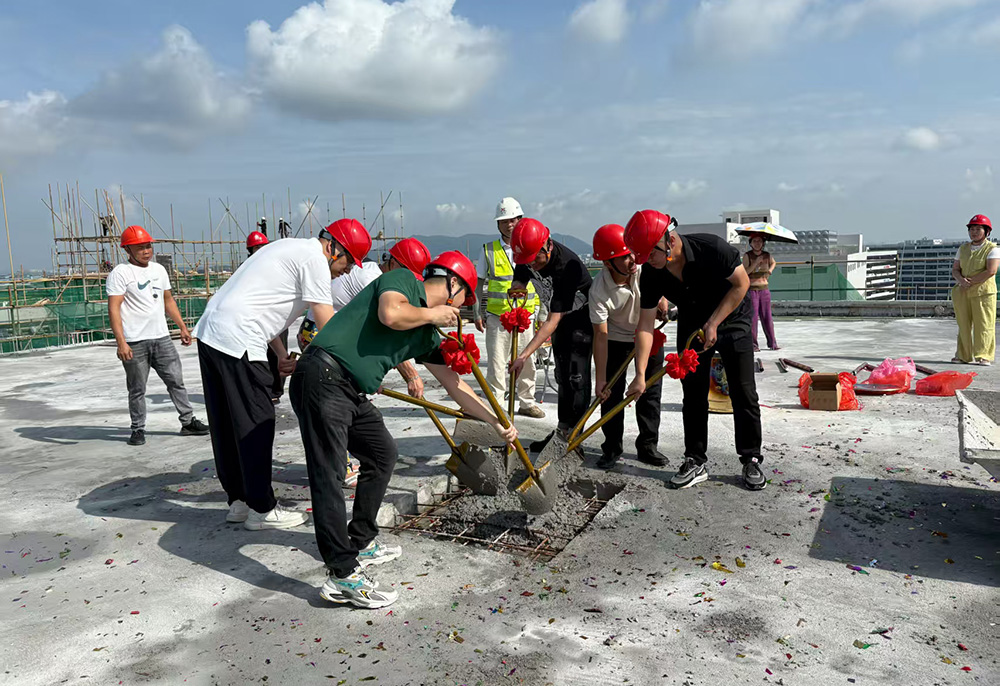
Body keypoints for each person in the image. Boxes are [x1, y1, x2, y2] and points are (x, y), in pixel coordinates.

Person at [290, 251, 518, 609]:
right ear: (453, 283)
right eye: (464, 298)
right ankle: (342, 575)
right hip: (323, 376)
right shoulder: (404, 282)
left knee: (382, 454)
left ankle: (361, 540)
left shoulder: (426, 335)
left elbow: (455, 385)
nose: (461, 308)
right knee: (329, 474)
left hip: (350, 390)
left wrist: (495, 421)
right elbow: (391, 313)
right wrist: (432, 314)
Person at [193, 218, 371, 531]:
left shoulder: (288, 248)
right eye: (348, 262)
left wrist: (279, 355)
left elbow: (261, 304)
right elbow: (327, 322)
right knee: (257, 421)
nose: (346, 271)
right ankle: (261, 509)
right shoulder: (315, 260)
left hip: (212, 334)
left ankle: (239, 501)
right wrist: (357, 367)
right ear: (334, 248)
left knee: (226, 423)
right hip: (240, 336)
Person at [624, 209, 766, 491]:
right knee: (693, 394)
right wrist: (640, 374)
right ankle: (695, 459)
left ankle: (750, 458)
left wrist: (714, 323)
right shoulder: (651, 272)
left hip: (733, 318)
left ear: (669, 241)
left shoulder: (712, 248)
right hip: (692, 323)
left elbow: (741, 284)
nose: (647, 261)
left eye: (650, 254)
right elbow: (645, 326)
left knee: (743, 391)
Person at [106, 225, 210, 446]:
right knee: (137, 389)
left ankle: (188, 422)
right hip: (135, 341)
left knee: (176, 381)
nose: (146, 251)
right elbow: (114, 308)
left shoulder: (159, 270)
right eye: (140, 247)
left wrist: (182, 327)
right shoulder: (121, 273)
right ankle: (137, 428)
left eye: (148, 246)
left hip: (162, 338)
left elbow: (167, 300)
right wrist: (121, 342)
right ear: (127, 250)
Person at [297, 237, 432, 400]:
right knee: (340, 393)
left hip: (328, 332)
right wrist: (411, 376)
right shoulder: (371, 280)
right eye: (407, 273)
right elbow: (385, 334)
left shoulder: (376, 274)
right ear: (393, 263)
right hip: (317, 334)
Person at [589, 223, 670, 469]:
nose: (631, 260)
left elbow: (660, 286)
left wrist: (663, 299)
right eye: (623, 257)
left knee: (650, 393)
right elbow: (600, 336)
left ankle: (647, 446)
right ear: (607, 263)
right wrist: (600, 380)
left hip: (649, 336)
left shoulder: (644, 268)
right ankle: (612, 447)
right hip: (616, 340)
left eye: (631, 253)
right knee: (610, 396)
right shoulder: (599, 291)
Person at [509, 218, 593, 448]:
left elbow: (552, 320)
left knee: (576, 378)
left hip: (581, 321)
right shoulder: (527, 255)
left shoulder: (567, 266)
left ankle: (574, 437)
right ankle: (562, 432)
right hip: (559, 321)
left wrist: (523, 356)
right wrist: (518, 285)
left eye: (535, 258)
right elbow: (522, 270)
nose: (532, 264)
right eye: (527, 260)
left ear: (547, 246)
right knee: (562, 376)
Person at [473, 198, 545, 418]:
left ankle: (526, 402)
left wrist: (542, 313)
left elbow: (542, 283)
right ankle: (497, 406)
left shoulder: (532, 247)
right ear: (498, 224)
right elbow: (478, 284)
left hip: (526, 316)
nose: (509, 225)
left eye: (512, 220)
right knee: (497, 363)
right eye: (504, 221)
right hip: (498, 316)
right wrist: (477, 312)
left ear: (520, 220)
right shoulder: (489, 250)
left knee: (528, 361)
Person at [246, 231, 289, 404]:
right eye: (257, 247)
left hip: (277, 316)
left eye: (263, 246)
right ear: (250, 250)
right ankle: (264, 389)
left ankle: (276, 390)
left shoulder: (275, 265)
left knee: (278, 354)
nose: (260, 250)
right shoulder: (247, 269)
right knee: (259, 356)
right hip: (258, 317)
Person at [952, 214, 999, 366]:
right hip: (963, 291)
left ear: (987, 231)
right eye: (972, 229)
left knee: (984, 324)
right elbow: (955, 269)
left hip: (983, 293)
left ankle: (984, 356)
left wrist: (970, 282)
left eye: (978, 229)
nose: (974, 232)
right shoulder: (963, 249)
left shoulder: (992, 249)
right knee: (963, 324)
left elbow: (991, 271)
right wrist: (961, 281)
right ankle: (963, 355)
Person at [742, 234, 779, 351]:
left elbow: (774, 263)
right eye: (754, 241)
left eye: (759, 241)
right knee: (753, 318)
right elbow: (745, 272)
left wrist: (770, 271)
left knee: (767, 317)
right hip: (752, 289)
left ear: (763, 243)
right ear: (751, 243)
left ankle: (772, 343)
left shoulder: (767, 255)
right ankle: (753, 345)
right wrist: (755, 263)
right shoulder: (747, 256)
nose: (757, 243)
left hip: (764, 289)